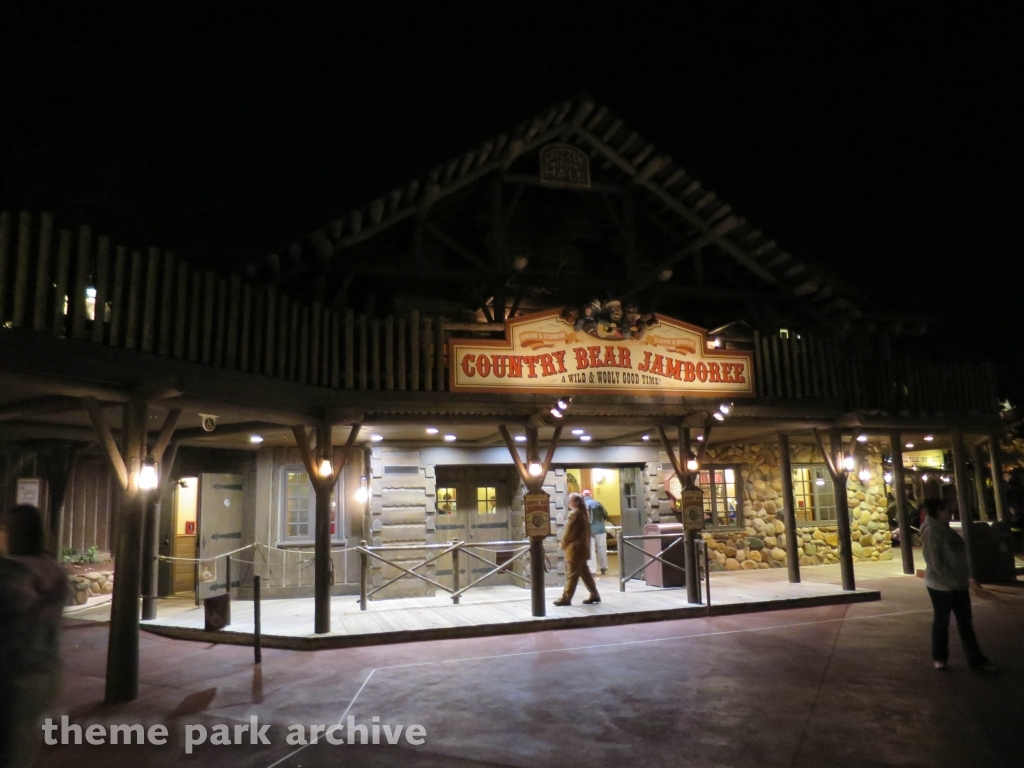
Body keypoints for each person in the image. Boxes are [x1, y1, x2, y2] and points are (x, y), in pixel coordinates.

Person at [0, 504, 68, 768]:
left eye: (5, 529)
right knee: (21, 749)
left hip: (13, 675)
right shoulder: (54, 569)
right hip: (46, 670)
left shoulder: (11, 573)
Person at [920, 497, 993, 671]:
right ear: (938, 511)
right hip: (940, 585)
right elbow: (934, 562)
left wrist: (964, 578)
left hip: (957, 583)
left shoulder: (945, 529)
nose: (951, 512)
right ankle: (940, 656)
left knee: (965, 622)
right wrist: (956, 580)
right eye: (948, 509)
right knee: (942, 621)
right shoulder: (932, 531)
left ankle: (974, 658)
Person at [554, 493, 600, 606]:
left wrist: (563, 544)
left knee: (572, 575)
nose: (569, 503)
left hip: (575, 549)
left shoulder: (577, 515)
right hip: (582, 549)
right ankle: (594, 594)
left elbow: (570, 532)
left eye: (571, 501)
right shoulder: (584, 514)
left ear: (577, 502)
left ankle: (566, 598)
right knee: (585, 573)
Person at [582, 489, 609, 574]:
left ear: (583, 496)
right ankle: (603, 567)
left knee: (591, 550)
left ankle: (592, 570)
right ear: (590, 495)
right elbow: (605, 515)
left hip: (588, 531)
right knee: (602, 548)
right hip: (600, 529)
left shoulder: (583, 505)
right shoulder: (598, 503)